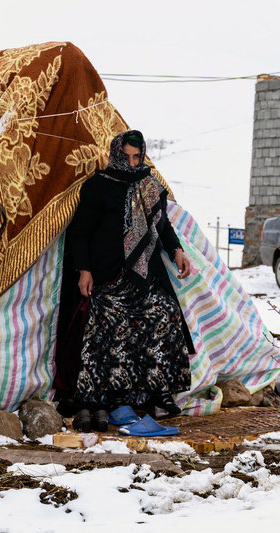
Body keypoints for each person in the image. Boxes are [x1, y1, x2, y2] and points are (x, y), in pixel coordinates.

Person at [68, 130, 194, 432]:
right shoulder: (99, 186)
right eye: (126, 156)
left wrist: (177, 250)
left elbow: (161, 224)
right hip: (108, 276)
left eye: (137, 156)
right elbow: (80, 232)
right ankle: (115, 400)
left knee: (164, 312)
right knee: (113, 322)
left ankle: (152, 392)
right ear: (115, 154)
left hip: (143, 277)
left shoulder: (150, 186)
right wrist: (84, 269)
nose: (131, 161)